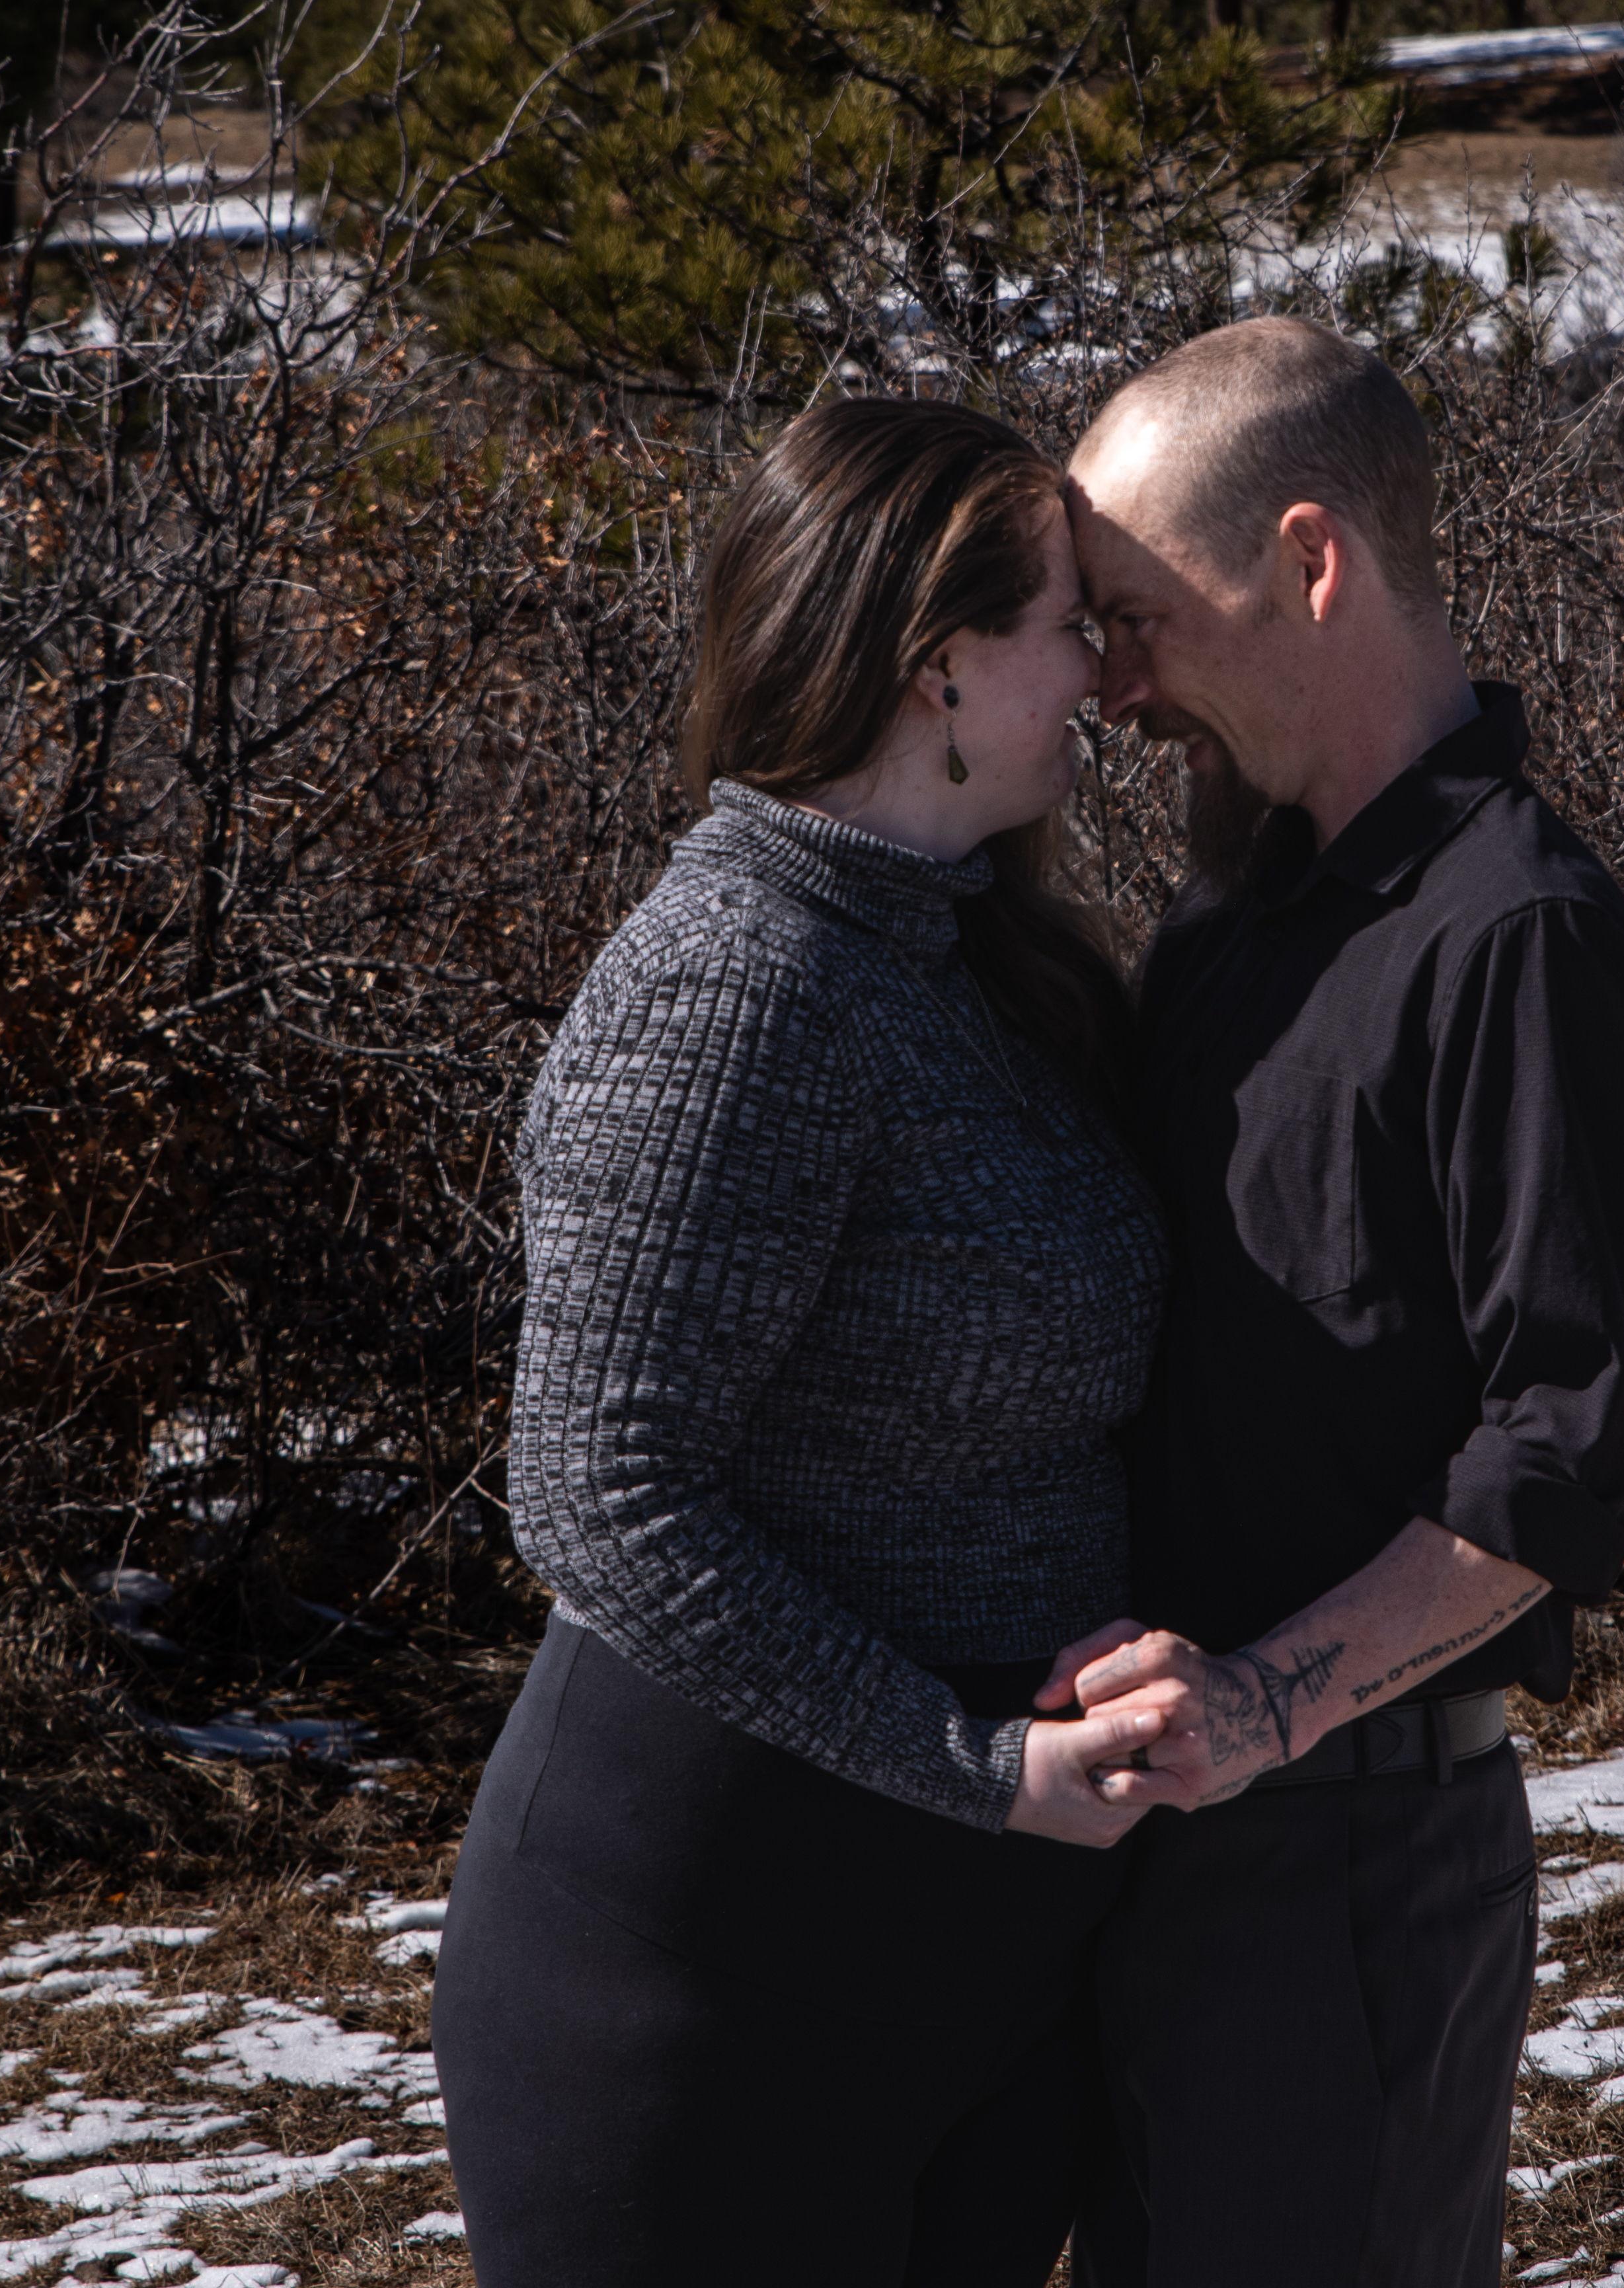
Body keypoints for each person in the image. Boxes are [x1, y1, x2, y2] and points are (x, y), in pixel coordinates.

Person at [430, 397, 1194, 2288]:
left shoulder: (963, 958)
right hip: (706, 1968)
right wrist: (974, 1762)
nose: (1106, 680)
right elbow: (600, 1496)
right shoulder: (731, 986)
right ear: (941, 664)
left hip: (962, 1951)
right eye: (1073, 627)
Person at [1050, 317, 1624, 2288]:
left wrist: (1265, 1705)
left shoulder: (1521, 943)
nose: (1111, 685)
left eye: (1139, 619)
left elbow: (1568, 1452)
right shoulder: (1233, 916)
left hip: (1350, 1872)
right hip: (1159, 1859)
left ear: (1311, 560)